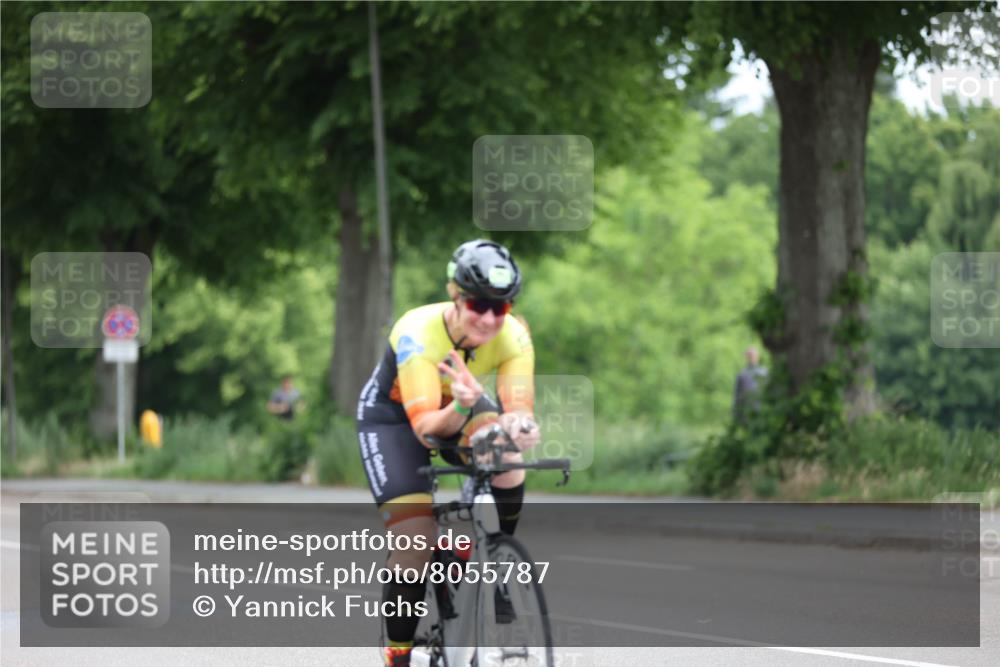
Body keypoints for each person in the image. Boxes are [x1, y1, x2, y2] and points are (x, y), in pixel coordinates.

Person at [357, 239, 540, 667]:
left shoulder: (514, 334)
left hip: (464, 400)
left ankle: (495, 559)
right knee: (414, 543)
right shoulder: (417, 333)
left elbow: (517, 406)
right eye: (479, 305)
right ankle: (398, 654)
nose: (490, 318)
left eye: (502, 307)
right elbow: (425, 431)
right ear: (454, 295)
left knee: (507, 461)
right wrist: (458, 406)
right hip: (395, 419)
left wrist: (520, 426)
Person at [732, 346, 768, 423]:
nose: (752, 357)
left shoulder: (765, 372)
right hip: (746, 410)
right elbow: (737, 395)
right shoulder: (742, 374)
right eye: (749, 355)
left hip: (762, 409)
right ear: (746, 357)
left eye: (753, 355)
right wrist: (736, 412)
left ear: (758, 356)